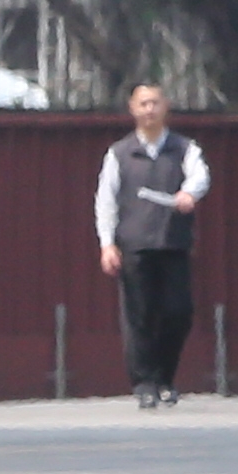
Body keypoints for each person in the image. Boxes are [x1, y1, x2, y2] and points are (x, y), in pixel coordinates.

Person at [95, 84, 211, 407]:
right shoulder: (119, 153)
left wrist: (190, 193)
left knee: (179, 312)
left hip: (173, 243)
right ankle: (144, 382)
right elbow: (106, 201)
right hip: (134, 246)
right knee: (139, 316)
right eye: (143, 103)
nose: (149, 109)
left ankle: (165, 377)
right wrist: (107, 244)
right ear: (132, 109)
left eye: (155, 103)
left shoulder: (183, 148)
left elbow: (200, 176)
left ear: (165, 107)